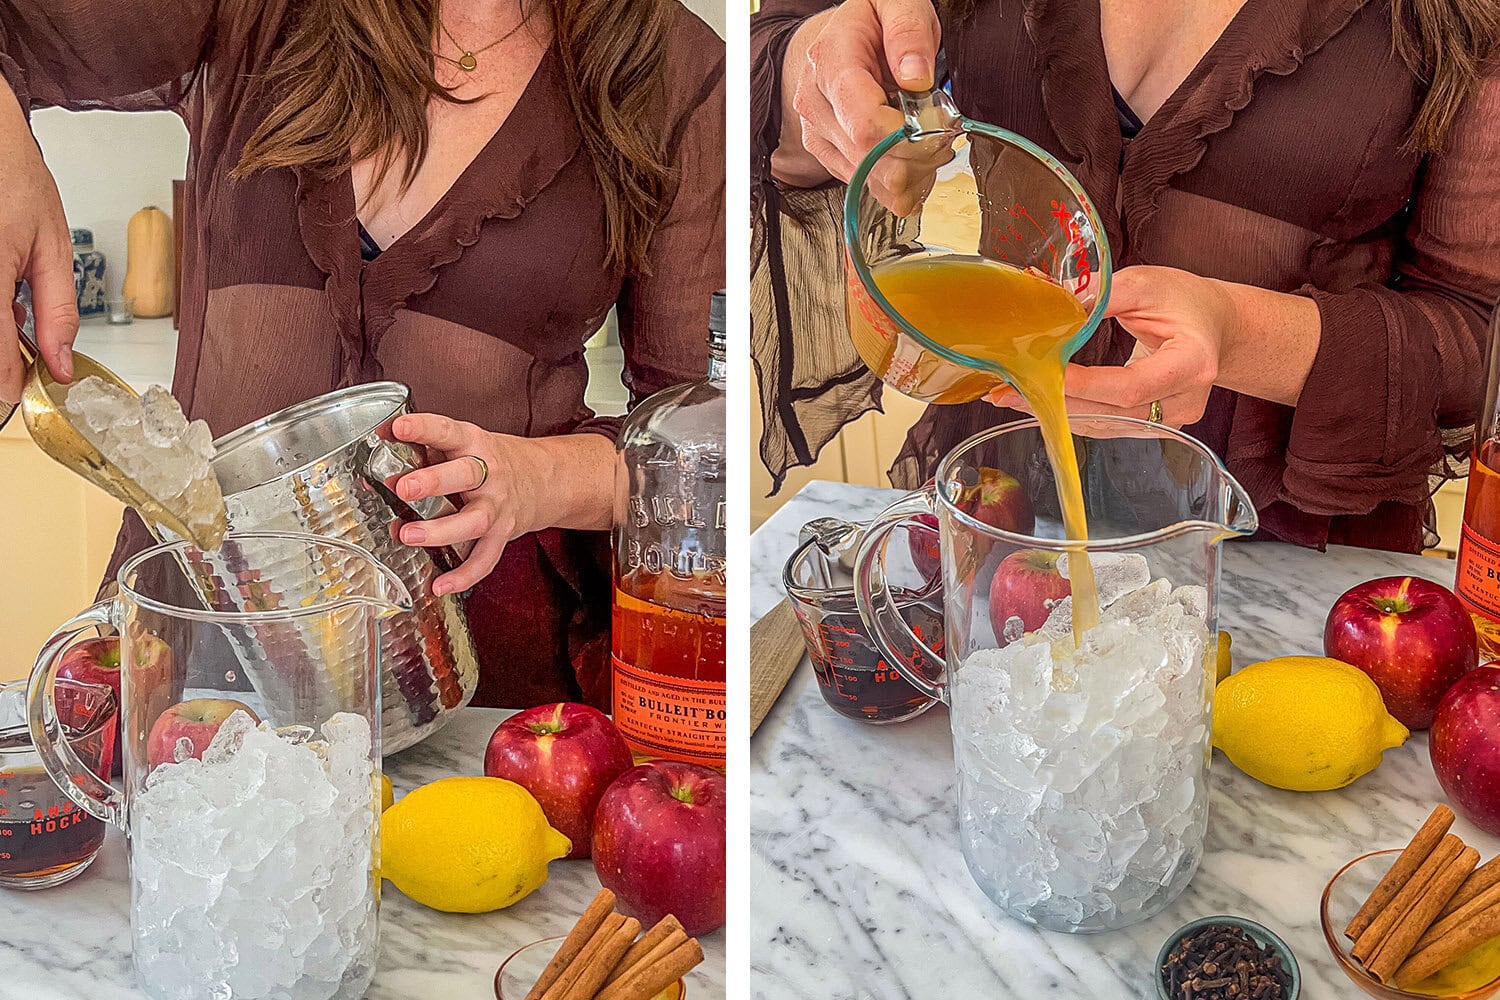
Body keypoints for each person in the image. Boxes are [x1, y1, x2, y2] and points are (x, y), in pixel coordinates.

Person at [0, 0, 725, 707]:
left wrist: (541, 477)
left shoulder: (676, 69)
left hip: (479, 686)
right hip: (189, 657)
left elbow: (701, 443)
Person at [751, 0, 1500, 552]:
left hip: (1288, 552)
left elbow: (1478, 336)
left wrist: (1241, 336)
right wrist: (818, 73)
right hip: (996, 505)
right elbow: (770, 66)